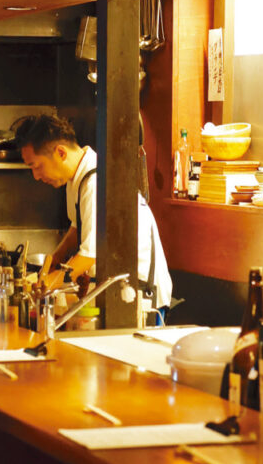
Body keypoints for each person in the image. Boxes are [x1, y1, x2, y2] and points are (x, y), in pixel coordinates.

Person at [12, 113, 173, 321]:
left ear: (61, 152)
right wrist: (55, 259)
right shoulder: (75, 178)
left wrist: (46, 286)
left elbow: (89, 255)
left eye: (36, 166)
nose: (35, 176)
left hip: (141, 297)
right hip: (117, 292)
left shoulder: (95, 181)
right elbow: (77, 228)